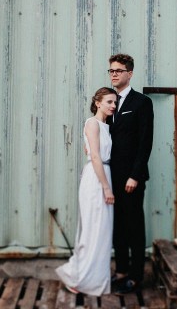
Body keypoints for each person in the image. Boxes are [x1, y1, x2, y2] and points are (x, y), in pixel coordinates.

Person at [55, 87, 118, 296]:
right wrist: (106, 188)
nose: (113, 106)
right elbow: (96, 157)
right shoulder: (92, 123)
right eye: (109, 102)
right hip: (97, 179)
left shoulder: (106, 126)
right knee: (93, 228)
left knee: (102, 231)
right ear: (98, 102)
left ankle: (94, 279)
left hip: (104, 173)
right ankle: (79, 278)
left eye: (115, 102)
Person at [107, 53, 154, 295]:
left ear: (130, 73)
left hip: (131, 178)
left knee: (134, 225)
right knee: (117, 227)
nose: (114, 74)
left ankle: (136, 276)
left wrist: (135, 175)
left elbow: (145, 142)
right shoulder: (108, 101)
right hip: (111, 176)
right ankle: (122, 270)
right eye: (111, 70)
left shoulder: (141, 102)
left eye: (118, 70)